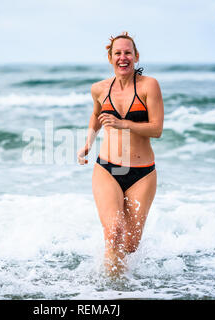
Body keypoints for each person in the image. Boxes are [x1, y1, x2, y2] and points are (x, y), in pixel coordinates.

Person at [77, 32, 164, 277]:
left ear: (136, 56)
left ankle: (126, 284)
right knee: (113, 233)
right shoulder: (99, 89)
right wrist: (88, 142)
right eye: (118, 53)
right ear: (110, 57)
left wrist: (124, 123)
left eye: (128, 53)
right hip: (108, 168)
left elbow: (156, 129)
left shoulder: (149, 85)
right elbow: (96, 116)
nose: (123, 57)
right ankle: (112, 290)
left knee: (131, 245)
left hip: (142, 174)